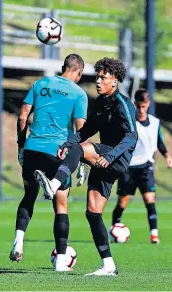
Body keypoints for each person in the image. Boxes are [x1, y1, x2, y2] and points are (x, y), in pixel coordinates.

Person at [35, 57, 138, 276]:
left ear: (115, 81)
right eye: (97, 77)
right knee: (93, 212)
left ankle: (54, 184)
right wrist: (67, 143)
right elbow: (85, 130)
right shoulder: (100, 103)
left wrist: (110, 156)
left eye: (104, 77)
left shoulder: (123, 103)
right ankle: (108, 265)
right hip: (104, 158)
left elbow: (132, 136)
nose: (98, 81)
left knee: (81, 150)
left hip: (116, 158)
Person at [10, 54, 88, 271]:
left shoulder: (40, 84)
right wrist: (81, 159)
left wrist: (21, 145)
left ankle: (18, 241)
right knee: (61, 206)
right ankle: (61, 260)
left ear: (63, 67)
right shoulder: (79, 94)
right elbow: (81, 128)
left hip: (33, 148)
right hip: (58, 153)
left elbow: (22, 117)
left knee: (28, 196)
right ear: (79, 72)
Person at [112, 88, 172, 244]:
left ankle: (154, 234)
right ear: (135, 104)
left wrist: (167, 156)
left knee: (149, 200)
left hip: (146, 166)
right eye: (138, 106)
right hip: (129, 166)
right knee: (122, 202)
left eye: (144, 106)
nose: (141, 109)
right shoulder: (129, 123)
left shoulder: (155, 122)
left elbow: (159, 141)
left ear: (148, 104)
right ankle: (114, 229)